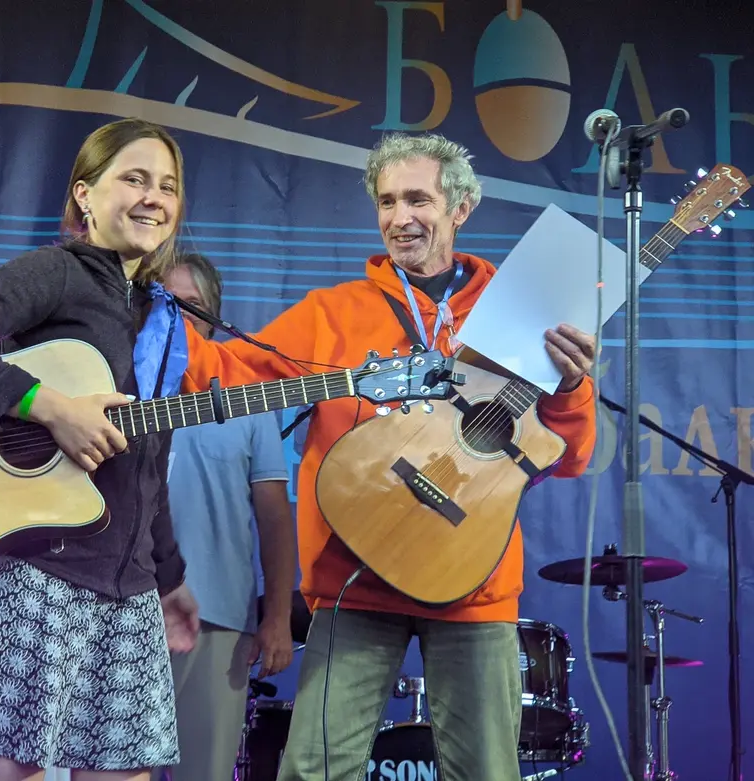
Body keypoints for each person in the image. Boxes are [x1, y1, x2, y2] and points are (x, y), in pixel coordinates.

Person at [177, 132, 598, 781]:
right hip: (355, 576)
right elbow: (221, 373)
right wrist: (142, 304)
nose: (401, 217)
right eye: (387, 201)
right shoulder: (332, 314)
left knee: (488, 772)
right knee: (313, 770)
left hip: (471, 581)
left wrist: (570, 388)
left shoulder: (518, 313)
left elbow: (565, 457)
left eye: (418, 199)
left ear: (460, 208)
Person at [0, 118, 200, 781]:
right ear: (85, 195)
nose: (154, 198)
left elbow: (146, 468)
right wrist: (50, 407)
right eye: (135, 179)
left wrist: (169, 576)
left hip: (128, 588)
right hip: (38, 570)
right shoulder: (58, 273)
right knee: (5, 769)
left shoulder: (160, 318)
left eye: (168, 186)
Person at [154, 252, 297, 781]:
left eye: (190, 305)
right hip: (119, 615)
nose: (176, 316)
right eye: (164, 302)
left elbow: (275, 520)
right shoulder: (118, 383)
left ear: (213, 316)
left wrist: (276, 617)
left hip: (217, 622)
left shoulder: (249, 395)